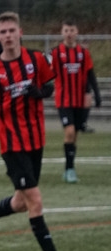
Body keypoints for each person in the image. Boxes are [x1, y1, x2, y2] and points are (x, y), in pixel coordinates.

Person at [0, 12, 79, 251]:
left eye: (11, 31)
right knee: (35, 201)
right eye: (3, 32)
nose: (8, 36)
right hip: (11, 143)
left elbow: (50, 85)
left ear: (20, 33)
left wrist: (39, 93)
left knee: (20, 202)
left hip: (35, 140)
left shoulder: (36, 59)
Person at [49, 20, 102, 183]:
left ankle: (68, 169)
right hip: (63, 100)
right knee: (70, 131)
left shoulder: (83, 53)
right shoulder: (56, 53)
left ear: (76, 32)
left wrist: (96, 94)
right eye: (66, 30)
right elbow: (47, 74)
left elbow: (90, 74)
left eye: (72, 30)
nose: (69, 34)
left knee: (74, 135)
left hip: (79, 100)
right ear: (62, 33)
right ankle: (70, 169)